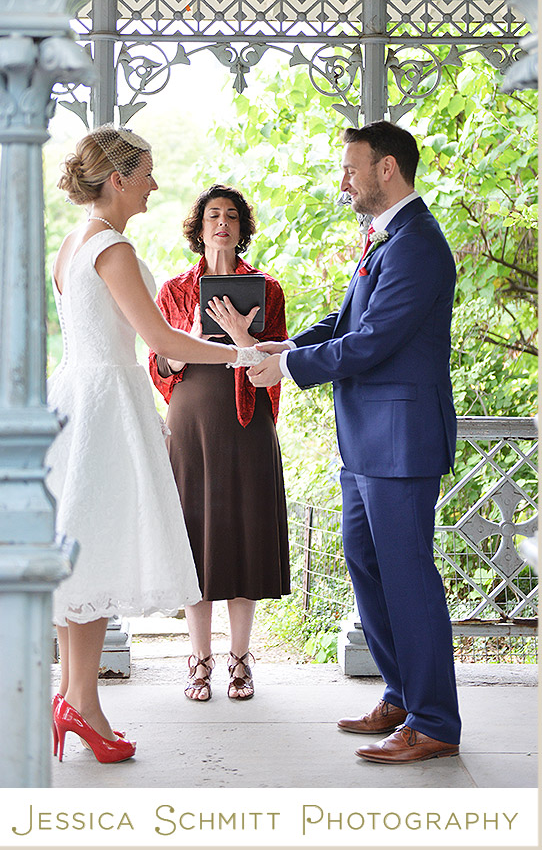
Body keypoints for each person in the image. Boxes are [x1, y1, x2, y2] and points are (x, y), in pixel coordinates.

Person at [47, 125, 267, 763]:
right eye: (146, 174)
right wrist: (240, 352)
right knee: (90, 556)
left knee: (78, 554)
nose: (155, 185)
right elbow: (164, 342)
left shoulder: (71, 243)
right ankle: (83, 705)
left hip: (76, 400)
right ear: (118, 179)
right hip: (107, 407)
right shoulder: (112, 248)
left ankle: (71, 695)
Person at [248, 120, 460, 763]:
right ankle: (399, 696)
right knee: (370, 571)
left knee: (408, 578)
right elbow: (344, 324)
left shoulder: (418, 243)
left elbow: (373, 343)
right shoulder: (384, 239)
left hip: (400, 440)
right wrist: (285, 346)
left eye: (351, 167)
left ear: (387, 169)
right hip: (366, 442)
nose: (344, 178)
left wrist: (286, 370)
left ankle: (435, 723)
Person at [149, 185, 291, 702]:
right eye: (213, 214)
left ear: (242, 226)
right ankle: (199, 658)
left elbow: (272, 366)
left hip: (246, 420)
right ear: (199, 225)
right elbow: (159, 364)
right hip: (191, 420)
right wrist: (185, 340)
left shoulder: (267, 290)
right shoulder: (172, 290)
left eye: (232, 215)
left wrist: (240, 337)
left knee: (243, 538)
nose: (223, 223)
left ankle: (240, 658)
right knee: (196, 536)